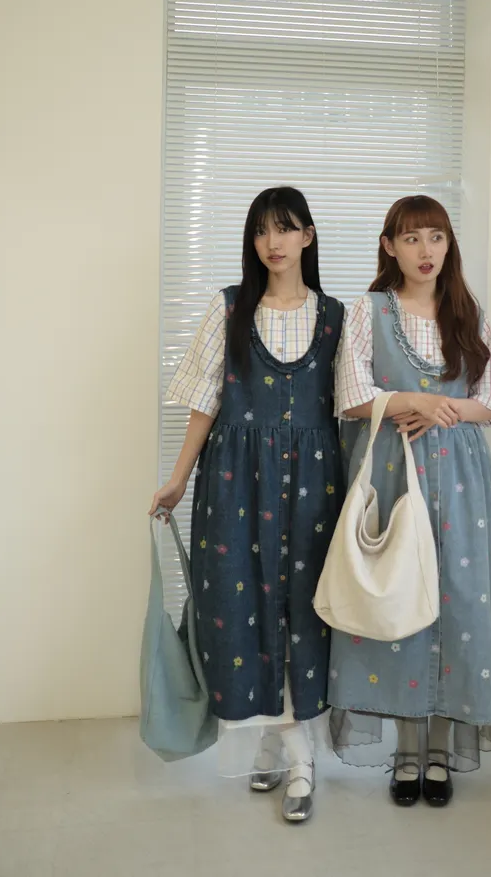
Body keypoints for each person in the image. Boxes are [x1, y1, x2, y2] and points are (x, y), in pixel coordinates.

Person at [150, 187, 344, 823]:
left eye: (285, 229)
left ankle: (286, 751)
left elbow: (352, 405)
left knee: (303, 612)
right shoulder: (229, 307)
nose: (273, 242)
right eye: (261, 230)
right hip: (236, 483)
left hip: (315, 487)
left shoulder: (336, 317)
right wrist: (178, 479)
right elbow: (205, 399)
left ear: (308, 236)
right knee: (241, 610)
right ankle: (289, 749)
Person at [328, 195, 491, 807]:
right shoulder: (369, 310)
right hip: (392, 472)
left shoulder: (468, 314)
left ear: (448, 244)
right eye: (411, 238)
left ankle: (439, 753)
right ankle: (406, 754)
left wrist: (442, 409)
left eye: (436, 237)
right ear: (389, 246)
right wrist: (415, 401)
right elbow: (351, 397)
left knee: (456, 606)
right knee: (399, 600)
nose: (425, 250)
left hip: (461, 477)